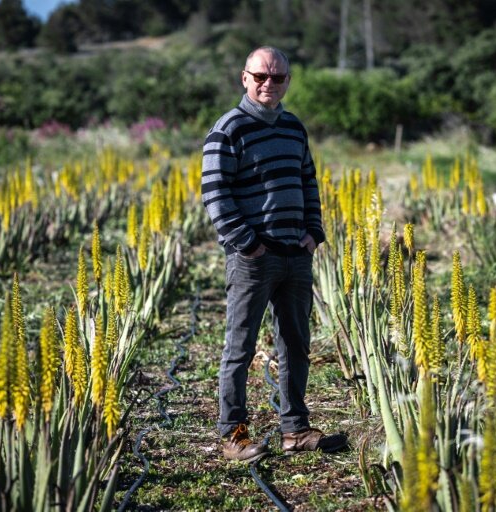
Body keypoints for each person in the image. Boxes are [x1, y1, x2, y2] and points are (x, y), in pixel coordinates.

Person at [202, 46, 347, 462]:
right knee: (240, 347)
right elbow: (215, 192)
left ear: (287, 82)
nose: (269, 84)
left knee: (296, 345)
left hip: (295, 255)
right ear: (244, 78)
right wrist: (247, 243)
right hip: (252, 258)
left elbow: (308, 181)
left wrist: (313, 233)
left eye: (278, 78)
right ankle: (234, 435)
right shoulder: (228, 129)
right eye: (261, 76)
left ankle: (295, 430)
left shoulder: (293, 128)